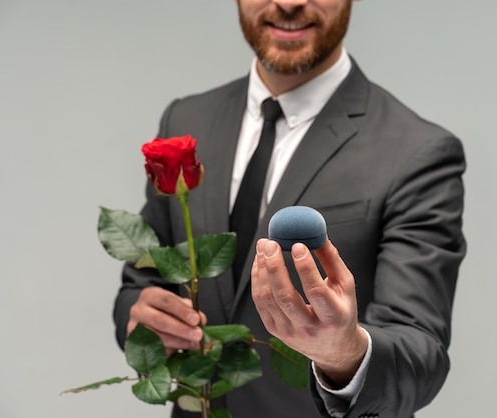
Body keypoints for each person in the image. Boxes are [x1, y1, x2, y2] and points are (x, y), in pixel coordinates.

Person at [113, 1, 466, 417]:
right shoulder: (185, 120)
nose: (288, 2)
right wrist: (140, 318)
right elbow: (139, 285)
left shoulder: (417, 151)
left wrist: (345, 352)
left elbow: (420, 354)